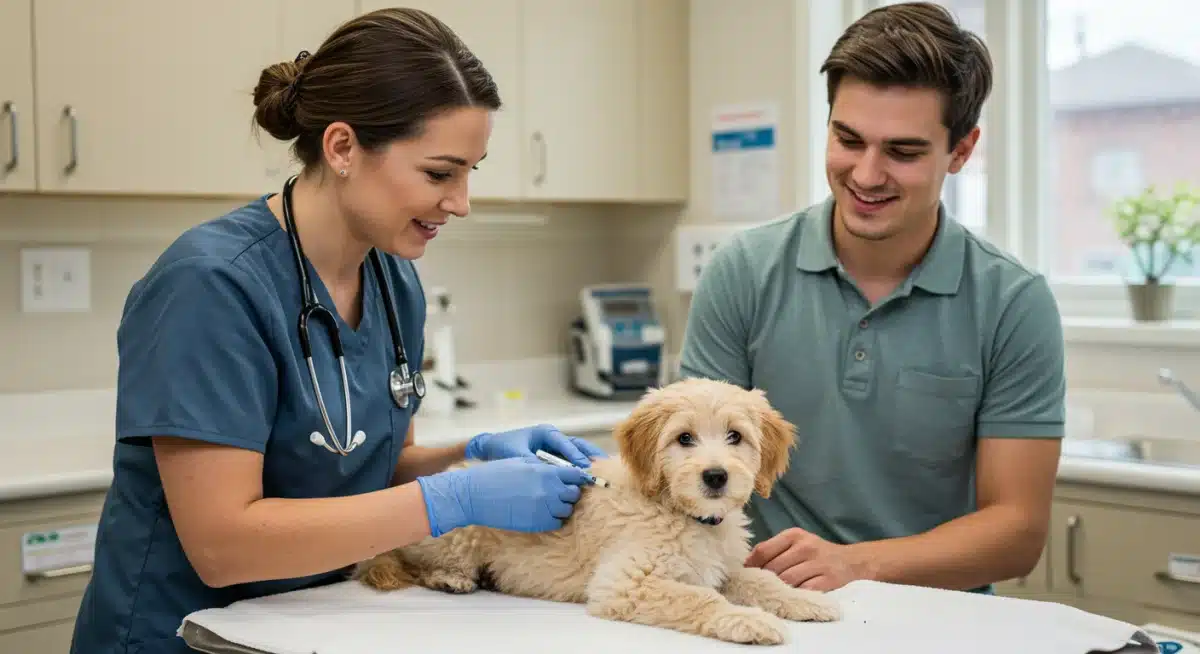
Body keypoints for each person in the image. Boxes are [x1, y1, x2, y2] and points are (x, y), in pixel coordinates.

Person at [69, 8, 605, 653]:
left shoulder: (391, 277)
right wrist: (456, 497)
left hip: (307, 624)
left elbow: (366, 464)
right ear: (343, 147)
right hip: (184, 635)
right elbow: (222, 545)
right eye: (440, 173)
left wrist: (474, 455)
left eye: (471, 172)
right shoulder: (210, 286)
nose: (461, 202)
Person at [679, 1, 1066, 595]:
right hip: (767, 604)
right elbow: (689, 473)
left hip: (939, 622)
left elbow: (1016, 533)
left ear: (961, 151)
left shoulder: (1014, 303)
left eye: (903, 152)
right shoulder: (743, 272)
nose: (865, 174)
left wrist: (857, 564)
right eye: (847, 139)